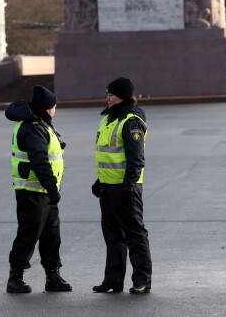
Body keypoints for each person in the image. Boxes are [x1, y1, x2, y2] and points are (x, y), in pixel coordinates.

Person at [4, 86, 72, 293]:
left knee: (51, 234)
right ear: (47, 107)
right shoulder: (33, 127)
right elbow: (40, 161)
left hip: (43, 191)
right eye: (54, 105)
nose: (55, 108)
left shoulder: (40, 124)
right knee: (29, 234)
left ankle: (53, 276)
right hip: (33, 191)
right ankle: (15, 277)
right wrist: (52, 188)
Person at [92, 77, 152, 293]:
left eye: (112, 95)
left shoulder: (131, 121)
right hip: (109, 187)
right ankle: (113, 280)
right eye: (107, 94)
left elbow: (136, 158)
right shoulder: (108, 119)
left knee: (134, 234)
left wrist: (129, 185)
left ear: (124, 97)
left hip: (126, 187)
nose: (108, 98)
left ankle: (141, 280)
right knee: (112, 236)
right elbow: (108, 155)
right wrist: (100, 181)